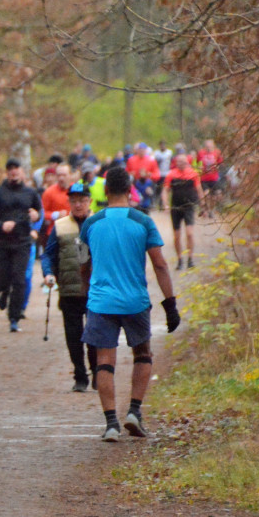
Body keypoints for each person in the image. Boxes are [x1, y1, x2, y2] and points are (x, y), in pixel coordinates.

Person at [77, 167, 180, 441]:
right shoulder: (143, 222)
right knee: (143, 354)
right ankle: (134, 411)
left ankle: (111, 423)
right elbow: (159, 263)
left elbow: (83, 264)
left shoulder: (91, 223)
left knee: (104, 361)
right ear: (130, 189)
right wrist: (170, 304)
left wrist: (87, 295)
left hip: (101, 302)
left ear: (106, 191)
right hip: (135, 301)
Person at [42, 181, 97, 392]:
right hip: (69, 290)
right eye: (74, 201)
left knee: (94, 335)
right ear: (69, 202)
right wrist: (48, 273)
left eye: (82, 200)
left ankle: (96, 370)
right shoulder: (60, 226)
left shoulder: (97, 223)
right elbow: (48, 254)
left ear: (89, 201)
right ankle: (80, 375)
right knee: (73, 336)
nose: (78, 205)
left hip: (95, 290)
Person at [0, 158, 42, 332]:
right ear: (6, 172)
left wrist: (36, 217)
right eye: (10, 169)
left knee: (19, 279)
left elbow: (39, 212)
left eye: (16, 168)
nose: (13, 171)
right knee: (2, 278)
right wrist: (1, 225)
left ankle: (14, 317)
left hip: (22, 241)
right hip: (1, 242)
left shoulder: (30, 193)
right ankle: (1, 290)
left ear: (22, 171)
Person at [162, 154, 203, 270]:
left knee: (189, 233)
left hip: (189, 206)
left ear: (187, 162)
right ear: (176, 163)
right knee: (177, 235)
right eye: (179, 162)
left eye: (183, 162)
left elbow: (199, 189)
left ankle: (190, 258)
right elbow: (165, 190)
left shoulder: (193, 174)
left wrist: (203, 204)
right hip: (175, 207)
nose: (181, 164)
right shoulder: (171, 174)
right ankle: (180, 259)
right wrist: (165, 204)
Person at [196, 139, 224, 218]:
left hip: (214, 178)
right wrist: (199, 167)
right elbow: (197, 162)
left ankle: (211, 209)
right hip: (204, 178)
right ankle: (206, 210)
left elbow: (220, 162)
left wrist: (218, 167)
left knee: (216, 196)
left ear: (213, 145)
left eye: (210, 146)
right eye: (207, 146)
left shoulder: (217, 152)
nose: (208, 147)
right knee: (207, 195)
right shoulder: (201, 153)